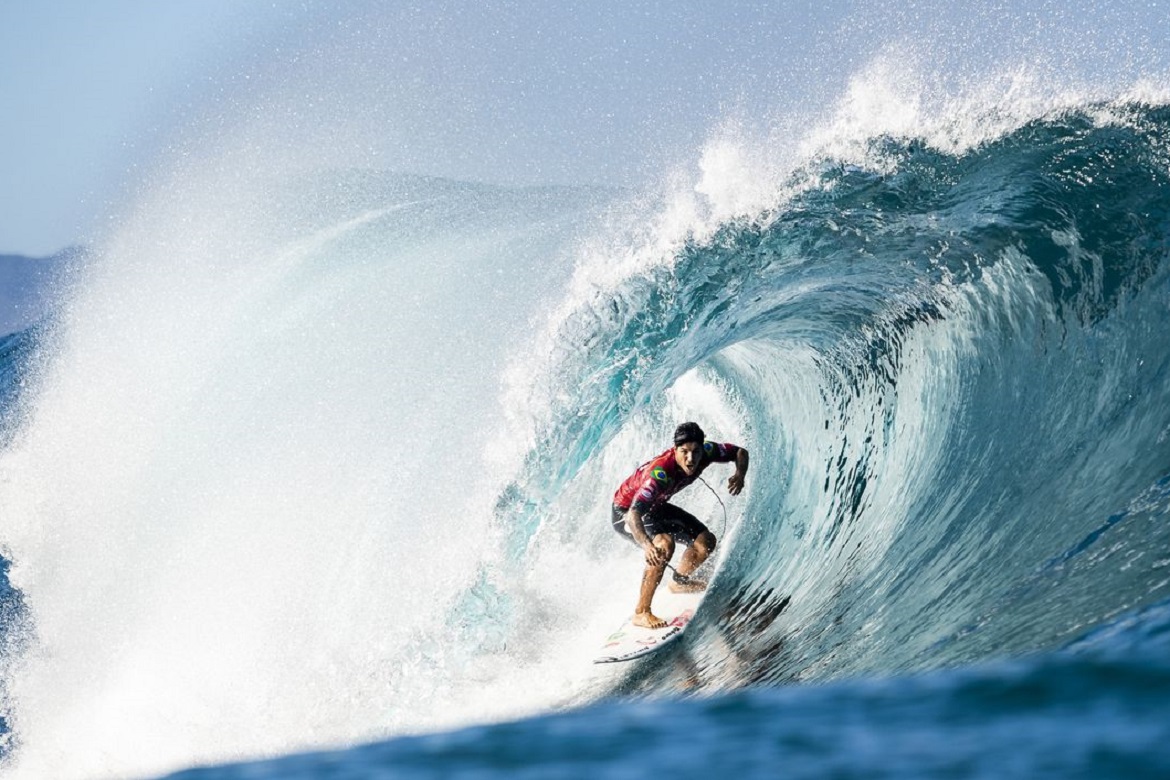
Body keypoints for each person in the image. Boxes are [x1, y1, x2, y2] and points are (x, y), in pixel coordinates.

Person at [611, 422, 749, 629]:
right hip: (626, 512)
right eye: (684, 452)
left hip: (656, 507)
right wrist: (648, 546)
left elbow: (740, 452)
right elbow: (633, 514)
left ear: (703, 449)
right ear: (675, 450)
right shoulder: (659, 475)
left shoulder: (708, 451)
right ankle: (641, 612)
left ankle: (678, 582)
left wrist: (740, 475)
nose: (691, 459)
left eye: (695, 451)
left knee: (706, 542)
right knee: (663, 545)